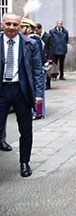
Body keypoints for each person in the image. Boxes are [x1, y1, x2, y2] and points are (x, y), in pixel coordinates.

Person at [0, 13, 44, 177]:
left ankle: (24, 162)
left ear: (20, 26)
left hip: (22, 90)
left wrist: (39, 94)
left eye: (15, 25)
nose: (11, 27)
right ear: (2, 24)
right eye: (8, 24)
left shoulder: (30, 44)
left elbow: (37, 70)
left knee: (26, 129)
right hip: (2, 89)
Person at [20, 17, 45, 120]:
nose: (20, 29)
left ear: (29, 28)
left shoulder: (34, 39)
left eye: (22, 27)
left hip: (36, 69)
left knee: (38, 92)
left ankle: (39, 112)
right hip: (30, 69)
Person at [36, 23, 54, 89]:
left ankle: (48, 84)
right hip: (39, 55)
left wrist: (50, 57)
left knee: (47, 70)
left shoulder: (48, 36)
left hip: (46, 55)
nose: (36, 31)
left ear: (40, 29)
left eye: (37, 30)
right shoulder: (36, 36)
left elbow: (51, 47)